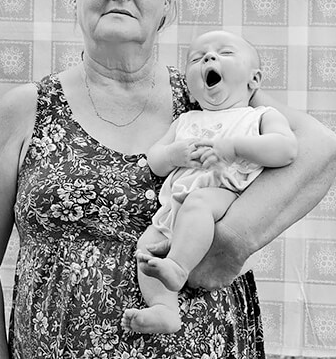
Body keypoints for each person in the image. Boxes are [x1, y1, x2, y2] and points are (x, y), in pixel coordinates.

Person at [0, 0, 336, 359]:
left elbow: (323, 148)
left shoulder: (207, 98)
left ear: (167, 3)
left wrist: (234, 241)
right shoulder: (28, 109)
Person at [121, 30, 298, 335]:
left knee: (199, 203)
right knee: (147, 245)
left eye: (225, 53)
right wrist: (174, 153)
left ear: (253, 80)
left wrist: (233, 148)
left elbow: (286, 149)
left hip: (223, 195)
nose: (209, 57)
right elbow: (155, 159)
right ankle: (164, 309)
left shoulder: (258, 117)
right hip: (175, 210)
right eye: (197, 58)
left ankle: (178, 265)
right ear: (190, 90)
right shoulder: (186, 121)